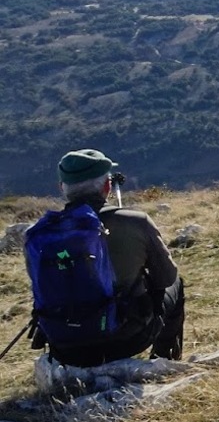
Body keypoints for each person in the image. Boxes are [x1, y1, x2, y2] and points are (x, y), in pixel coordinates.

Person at [27, 149, 184, 366]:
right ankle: (164, 360)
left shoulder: (39, 234)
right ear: (107, 186)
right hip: (126, 340)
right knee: (176, 283)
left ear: (62, 188)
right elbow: (166, 278)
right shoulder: (135, 221)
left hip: (65, 346)